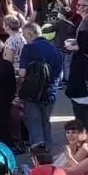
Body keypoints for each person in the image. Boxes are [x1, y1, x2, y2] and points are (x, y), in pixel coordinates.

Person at [17, 22, 64, 151]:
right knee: (46, 123)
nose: (25, 38)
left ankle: (38, 156)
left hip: (32, 93)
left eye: (25, 35)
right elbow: (60, 73)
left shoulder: (28, 48)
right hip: (50, 92)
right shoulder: (55, 49)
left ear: (30, 33)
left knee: (34, 125)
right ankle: (48, 153)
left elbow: (22, 73)